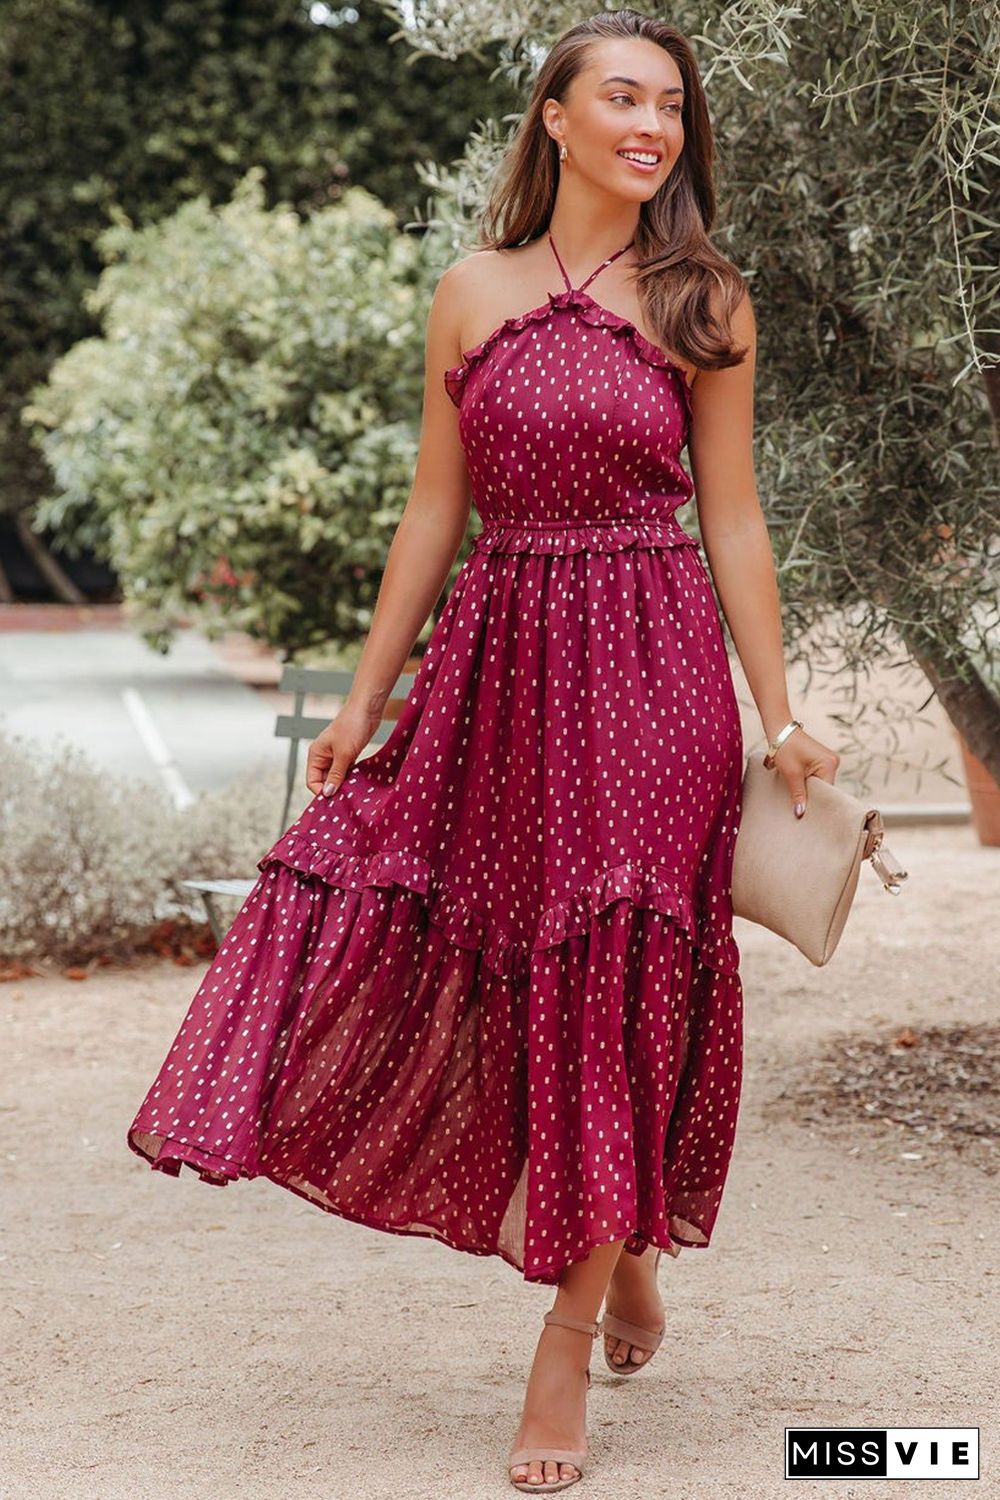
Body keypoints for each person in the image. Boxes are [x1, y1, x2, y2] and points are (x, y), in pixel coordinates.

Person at [127, 8, 840, 1493]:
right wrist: (361, 702)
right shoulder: (470, 291)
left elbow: (739, 519)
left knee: (619, 964)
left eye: (673, 108)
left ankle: (562, 1347)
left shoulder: (708, 300)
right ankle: (621, 1244)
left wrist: (780, 715)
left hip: (651, 676)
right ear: (557, 119)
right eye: (624, 99)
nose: (654, 126)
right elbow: (431, 514)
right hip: (499, 671)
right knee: (503, 966)